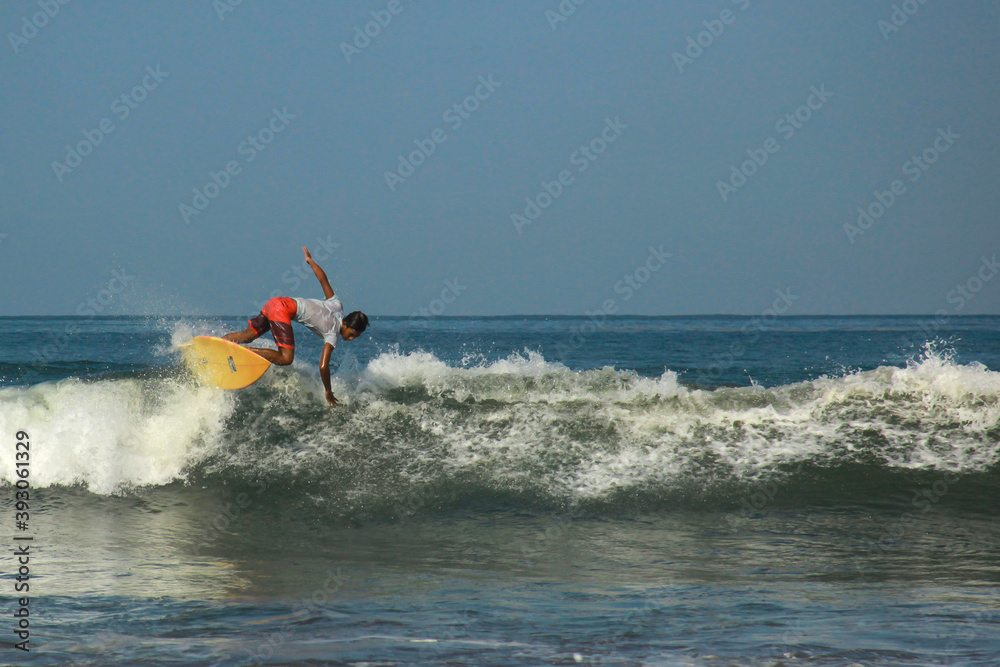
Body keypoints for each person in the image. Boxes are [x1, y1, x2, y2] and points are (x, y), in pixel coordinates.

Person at [224, 246, 368, 406]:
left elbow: (323, 279)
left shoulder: (337, 305)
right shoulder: (332, 333)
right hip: (283, 310)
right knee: (286, 358)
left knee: (247, 336)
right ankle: (241, 353)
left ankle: (220, 343)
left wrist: (310, 261)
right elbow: (323, 366)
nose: (352, 338)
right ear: (346, 324)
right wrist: (328, 390)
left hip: (275, 302)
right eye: (353, 334)